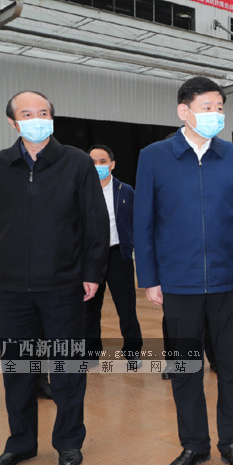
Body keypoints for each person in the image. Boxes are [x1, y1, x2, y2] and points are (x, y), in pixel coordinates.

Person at [134, 76, 233, 465]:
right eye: (207, 106)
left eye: (219, 107)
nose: (215, 114)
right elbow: (144, 222)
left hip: (228, 281)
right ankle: (193, 444)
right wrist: (150, 277)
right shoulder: (154, 157)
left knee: (232, 366)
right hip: (179, 283)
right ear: (183, 111)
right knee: (185, 368)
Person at [0, 90, 108, 465]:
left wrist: (91, 273)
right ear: (13, 123)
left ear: (52, 118)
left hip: (64, 286)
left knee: (67, 370)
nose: (37, 118)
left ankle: (68, 442)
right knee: (18, 372)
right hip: (13, 289)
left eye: (44, 112)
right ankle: (21, 444)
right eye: (27, 113)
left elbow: (95, 224)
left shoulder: (77, 164)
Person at [85, 145, 142, 363]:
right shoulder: (80, 191)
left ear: (112, 164)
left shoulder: (125, 191)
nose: (97, 166)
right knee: (89, 308)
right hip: (91, 259)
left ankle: (133, 351)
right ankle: (90, 352)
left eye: (102, 161)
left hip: (119, 255)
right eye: (93, 162)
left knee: (126, 307)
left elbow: (136, 222)